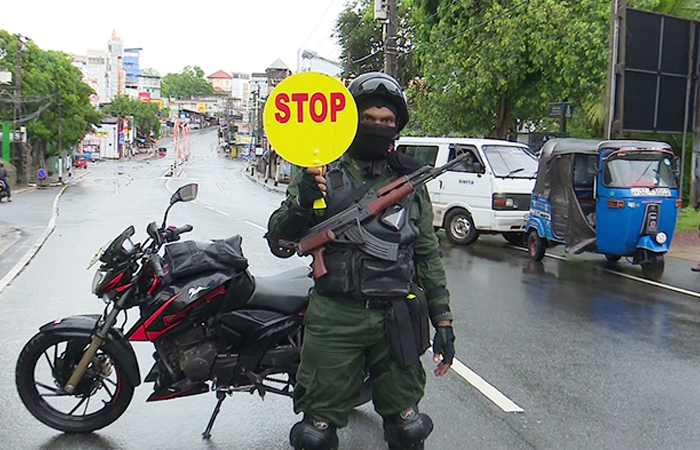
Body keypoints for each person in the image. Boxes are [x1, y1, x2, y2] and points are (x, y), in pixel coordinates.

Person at [266, 72, 455, 450]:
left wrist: (444, 322)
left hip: (397, 317)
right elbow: (280, 242)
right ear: (352, 121)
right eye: (369, 119)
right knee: (314, 434)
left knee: (409, 428)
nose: (378, 127)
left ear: (398, 126)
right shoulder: (320, 172)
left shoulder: (410, 180)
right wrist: (303, 202)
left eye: (387, 121)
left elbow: (427, 254)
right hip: (336, 316)